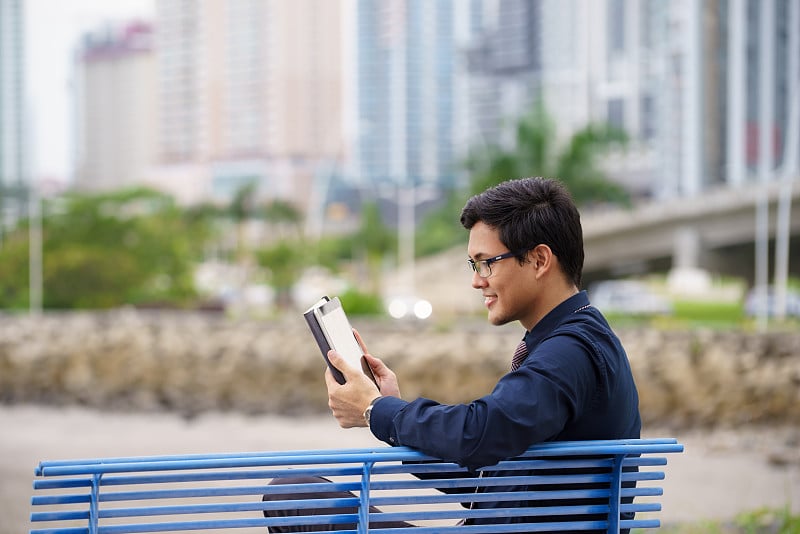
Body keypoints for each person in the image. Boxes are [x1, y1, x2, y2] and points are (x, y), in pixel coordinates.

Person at [263, 177, 641, 532]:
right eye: (473, 265)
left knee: (293, 493)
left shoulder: (570, 351)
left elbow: (479, 432)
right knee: (300, 491)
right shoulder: (580, 340)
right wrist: (388, 407)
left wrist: (375, 411)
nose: (477, 279)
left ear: (540, 260)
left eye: (486, 262)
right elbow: (482, 472)